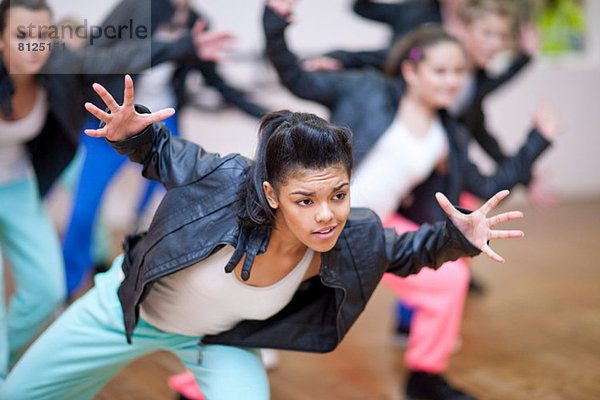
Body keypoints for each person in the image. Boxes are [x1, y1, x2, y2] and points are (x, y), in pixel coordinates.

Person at [0, 74, 524, 400]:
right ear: (271, 193)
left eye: (338, 194)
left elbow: (408, 249)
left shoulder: (350, 235)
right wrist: (133, 134)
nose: (328, 216)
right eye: (305, 200)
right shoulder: (225, 181)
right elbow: (165, 153)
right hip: (122, 313)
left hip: (217, 341)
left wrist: (461, 236)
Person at [263, 2, 561, 399]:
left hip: (367, 233)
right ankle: (197, 383)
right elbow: (296, 77)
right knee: (256, 300)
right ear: (411, 70)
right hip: (307, 224)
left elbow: (490, 182)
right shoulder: (366, 89)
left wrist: (536, 141)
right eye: (440, 71)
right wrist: (274, 23)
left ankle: (424, 377)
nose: (451, 82)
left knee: (449, 279)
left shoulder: (447, 135)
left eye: (458, 73)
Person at [0, 0, 231, 382]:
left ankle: (8, 356)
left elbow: (120, 53)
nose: (34, 46)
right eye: (22, 36)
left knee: (46, 291)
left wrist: (180, 46)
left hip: (19, 185)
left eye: (43, 35)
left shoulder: (56, 66)